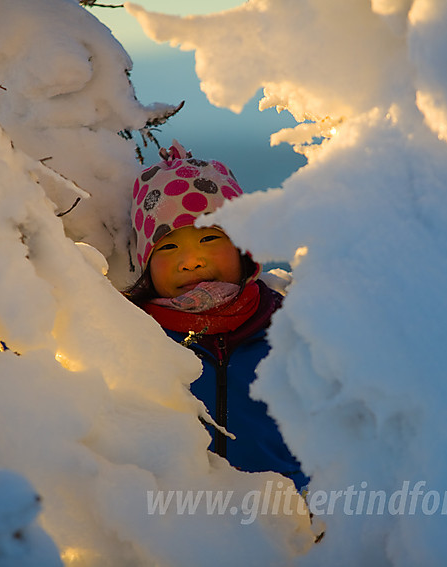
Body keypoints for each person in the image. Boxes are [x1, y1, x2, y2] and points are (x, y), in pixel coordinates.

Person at [125, 141, 309, 490]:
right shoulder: (135, 338)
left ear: (243, 249)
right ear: (146, 265)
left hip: (293, 524)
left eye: (209, 238)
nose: (191, 260)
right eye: (168, 246)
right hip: (182, 525)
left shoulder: (288, 329)